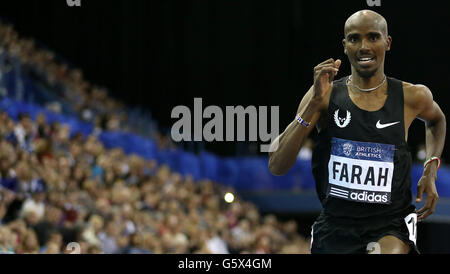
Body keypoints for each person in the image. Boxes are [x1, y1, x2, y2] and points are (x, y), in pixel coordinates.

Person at [268, 10, 446, 254]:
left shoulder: (412, 96)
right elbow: (277, 165)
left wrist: (431, 168)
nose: (364, 46)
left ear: (387, 42)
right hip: (335, 226)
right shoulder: (324, 95)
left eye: (373, 37)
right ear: (344, 46)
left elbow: (437, 121)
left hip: (390, 225)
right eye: (354, 39)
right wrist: (312, 104)